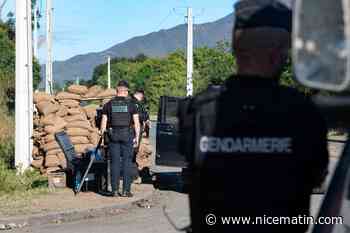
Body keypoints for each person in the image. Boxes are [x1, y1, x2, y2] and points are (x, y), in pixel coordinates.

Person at [184, 1, 329, 232]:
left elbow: (192, 170)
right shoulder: (304, 112)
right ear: (280, 53)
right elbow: (317, 176)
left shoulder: (197, 109)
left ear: (235, 47)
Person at [100, 80, 140, 197]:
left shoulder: (108, 104)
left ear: (117, 91)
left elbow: (104, 123)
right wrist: (137, 137)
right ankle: (126, 191)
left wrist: (102, 135)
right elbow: (136, 123)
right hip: (127, 134)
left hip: (113, 135)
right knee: (127, 163)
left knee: (115, 163)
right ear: (125, 91)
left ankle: (115, 190)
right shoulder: (131, 104)